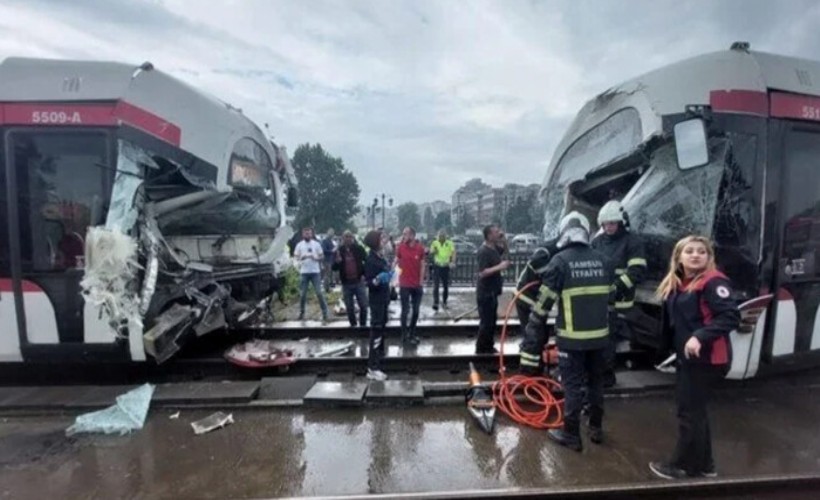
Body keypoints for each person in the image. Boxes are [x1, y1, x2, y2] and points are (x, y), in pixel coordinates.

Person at [649, 236, 739, 480]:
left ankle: (681, 466)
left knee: (689, 413)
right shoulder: (679, 283)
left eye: (701, 252)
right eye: (689, 251)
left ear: (709, 258)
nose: (695, 255)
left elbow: (730, 316)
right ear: (679, 257)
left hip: (708, 358)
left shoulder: (713, 282)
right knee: (696, 412)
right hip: (688, 358)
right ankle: (706, 464)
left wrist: (700, 336)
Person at [524, 212, 613, 451]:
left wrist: (533, 332)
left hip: (572, 340)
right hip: (600, 337)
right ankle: (595, 428)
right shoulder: (604, 260)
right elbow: (612, 296)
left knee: (572, 386)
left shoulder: (560, 261)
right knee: (596, 384)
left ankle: (571, 434)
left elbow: (543, 304)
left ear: (564, 232)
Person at [591, 200, 647, 387]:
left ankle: (607, 377)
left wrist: (615, 289)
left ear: (621, 222)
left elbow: (636, 271)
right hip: (599, 300)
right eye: (605, 224)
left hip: (620, 301)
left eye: (612, 223)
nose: (608, 227)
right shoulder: (597, 242)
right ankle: (598, 374)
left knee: (608, 341)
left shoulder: (633, 242)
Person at [515, 246, 553, 372]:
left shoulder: (545, 253)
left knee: (536, 332)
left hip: (530, 299)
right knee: (534, 332)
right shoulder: (542, 255)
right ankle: (530, 368)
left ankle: (534, 361)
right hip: (527, 300)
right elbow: (547, 278)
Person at [475, 224, 510, 354]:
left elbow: (505, 252)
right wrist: (499, 267)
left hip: (493, 292)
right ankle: (481, 349)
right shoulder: (483, 251)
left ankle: (489, 346)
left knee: (492, 321)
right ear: (489, 236)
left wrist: (504, 239)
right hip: (485, 292)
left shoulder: (494, 248)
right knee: (486, 322)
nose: (498, 233)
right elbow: (482, 273)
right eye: (496, 232)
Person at [363, 230, 392, 381]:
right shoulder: (371, 260)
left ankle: (379, 359)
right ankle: (372, 367)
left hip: (383, 298)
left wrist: (390, 277)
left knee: (381, 329)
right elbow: (368, 282)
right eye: (381, 238)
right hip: (376, 300)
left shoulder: (380, 257)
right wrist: (377, 280)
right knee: (376, 331)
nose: (383, 240)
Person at [395, 227, 426, 345]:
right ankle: (404, 335)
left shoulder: (420, 249)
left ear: (412, 235)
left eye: (405, 234)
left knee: (416, 311)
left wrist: (421, 281)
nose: (403, 236)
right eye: (403, 234)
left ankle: (412, 332)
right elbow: (396, 261)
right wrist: (394, 277)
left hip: (416, 284)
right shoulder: (401, 247)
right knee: (405, 310)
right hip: (404, 284)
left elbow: (423, 265)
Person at [293, 227, 329, 322]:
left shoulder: (316, 244)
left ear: (312, 234)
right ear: (302, 235)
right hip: (304, 272)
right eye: (305, 233)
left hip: (315, 272)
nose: (307, 235)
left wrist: (315, 257)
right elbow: (295, 257)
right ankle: (302, 313)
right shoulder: (299, 245)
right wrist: (302, 257)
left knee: (319, 293)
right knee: (302, 294)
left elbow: (322, 256)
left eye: (309, 233)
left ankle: (325, 312)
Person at [333, 230, 368, 327]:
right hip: (346, 283)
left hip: (358, 281)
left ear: (352, 238)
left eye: (349, 237)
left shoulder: (359, 249)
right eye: (345, 237)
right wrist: (337, 262)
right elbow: (334, 267)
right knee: (349, 307)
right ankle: (353, 325)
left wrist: (365, 274)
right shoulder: (339, 250)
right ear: (342, 239)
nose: (348, 239)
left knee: (363, 305)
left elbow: (366, 261)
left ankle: (363, 325)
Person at [430, 230, 456, 311]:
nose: (441, 237)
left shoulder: (450, 243)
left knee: (445, 286)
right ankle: (436, 302)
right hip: (437, 266)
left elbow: (453, 252)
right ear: (438, 236)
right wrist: (434, 251)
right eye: (440, 236)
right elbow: (431, 252)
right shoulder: (435, 243)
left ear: (445, 236)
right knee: (436, 286)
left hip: (445, 266)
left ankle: (444, 302)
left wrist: (452, 261)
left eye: (443, 236)